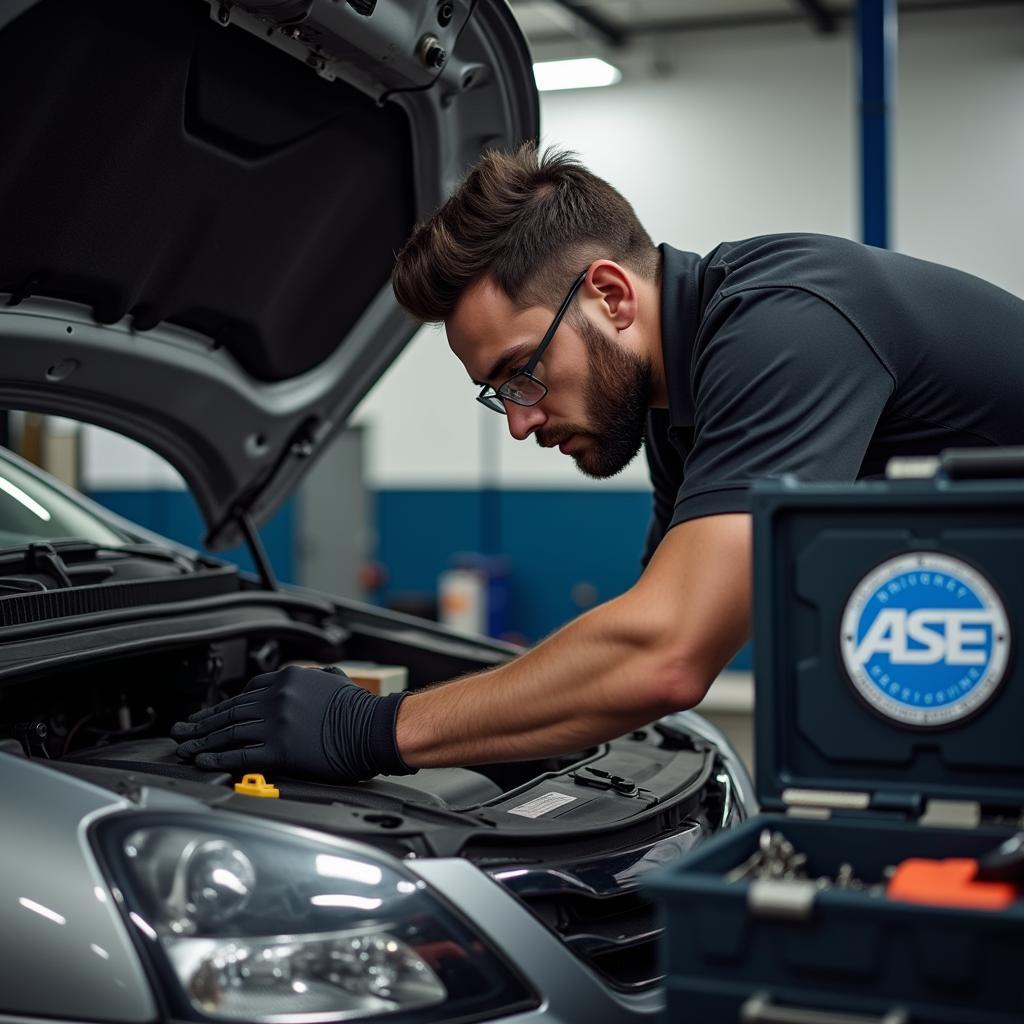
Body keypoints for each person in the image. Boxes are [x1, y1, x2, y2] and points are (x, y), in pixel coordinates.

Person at [172, 144, 1024, 782]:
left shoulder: (785, 322)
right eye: (496, 392)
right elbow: (638, 631)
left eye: (521, 372)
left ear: (611, 295)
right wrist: (492, 731)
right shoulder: (678, 406)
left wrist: (376, 728)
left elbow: (666, 655)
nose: (519, 421)